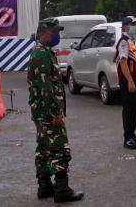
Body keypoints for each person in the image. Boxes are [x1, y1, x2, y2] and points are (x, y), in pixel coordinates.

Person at [28, 17, 84, 203]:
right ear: (42, 33)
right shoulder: (41, 54)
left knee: (44, 148)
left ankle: (45, 186)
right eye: (54, 33)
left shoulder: (44, 52)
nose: (57, 36)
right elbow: (46, 88)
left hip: (41, 110)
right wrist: (55, 113)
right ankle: (62, 189)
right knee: (59, 147)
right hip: (47, 111)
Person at [116, 16, 136, 150]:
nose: (135, 26)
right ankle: (127, 138)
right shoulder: (124, 42)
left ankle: (132, 134)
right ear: (125, 27)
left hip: (135, 79)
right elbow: (123, 63)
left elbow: (135, 63)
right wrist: (130, 81)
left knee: (134, 108)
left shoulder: (132, 41)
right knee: (128, 108)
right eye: (132, 24)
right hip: (128, 80)